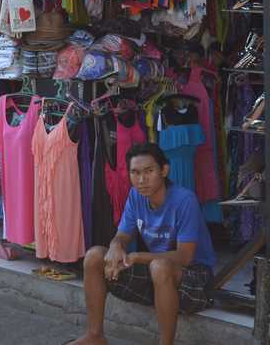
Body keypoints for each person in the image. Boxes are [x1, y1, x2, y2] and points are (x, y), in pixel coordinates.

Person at [67, 143, 216, 345]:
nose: (141, 180)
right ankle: (95, 336)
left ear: (164, 170)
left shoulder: (184, 200)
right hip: (157, 278)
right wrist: (116, 247)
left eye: (149, 171)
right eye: (135, 173)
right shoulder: (136, 196)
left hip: (195, 282)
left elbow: (184, 257)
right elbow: (122, 236)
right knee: (94, 256)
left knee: (159, 266)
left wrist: (137, 257)